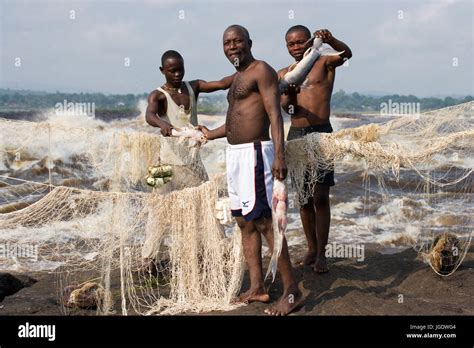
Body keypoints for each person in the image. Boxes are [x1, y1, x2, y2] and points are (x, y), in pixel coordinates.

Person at [198, 25, 303, 316]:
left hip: (257, 154)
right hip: (236, 155)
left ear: (249, 43)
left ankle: (292, 290)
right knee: (244, 223)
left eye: (237, 41)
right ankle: (257, 287)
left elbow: (274, 115)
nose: (232, 46)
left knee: (266, 223)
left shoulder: (261, 71)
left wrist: (279, 155)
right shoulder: (237, 78)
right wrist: (209, 134)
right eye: (227, 43)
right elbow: (237, 121)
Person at [278, 26, 352, 273]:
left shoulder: (324, 62)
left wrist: (331, 39)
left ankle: (322, 253)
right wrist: (289, 96)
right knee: (304, 198)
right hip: (296, 136)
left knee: (321, 195)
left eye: (301, 42)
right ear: (287, 47)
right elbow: (286, 110)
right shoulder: (284, 74)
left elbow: (347, 54)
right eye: (291, 44)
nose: (296, 47)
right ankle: (311, 248)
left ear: (309, 41)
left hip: (321, 133)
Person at [145, 50, 235, 135]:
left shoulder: (194, 86)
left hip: (193, 146)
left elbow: (222, 84)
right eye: (173, 71)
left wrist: (244, 71)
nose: (177, 74)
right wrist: (162, 124)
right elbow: (149, 115)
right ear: (162, 70)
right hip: (170, 149)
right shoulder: (158, 95)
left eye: (180, 70)